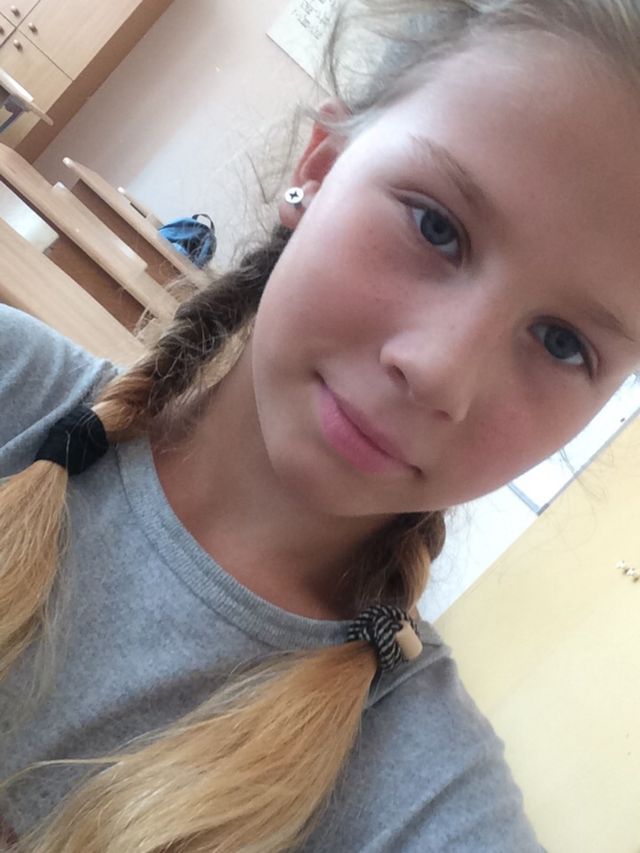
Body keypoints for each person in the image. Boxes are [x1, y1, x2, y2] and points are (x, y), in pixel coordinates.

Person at [1, 0, 639, 849]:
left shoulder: (424, 800)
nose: (439, 371)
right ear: (322, 166)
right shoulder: (16, 389)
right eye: (436, 227)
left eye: (562, 343)